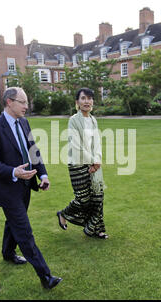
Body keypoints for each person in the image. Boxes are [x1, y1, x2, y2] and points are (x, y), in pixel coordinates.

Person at [0, 87, 62, 290]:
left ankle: (8, 253)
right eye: (23, 102)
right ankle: (46, 277)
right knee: (24, 231)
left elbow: (33, 150)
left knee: (13, 223)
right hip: (8, 190)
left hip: (26, 187)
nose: (27, 106)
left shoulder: (24, 122)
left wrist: (42, 174)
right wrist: (12, 172)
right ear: (9, 102)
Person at [57, 88, 108, 239]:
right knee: (83, 200)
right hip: (78, 165)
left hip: (94, 164)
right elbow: (76, 145)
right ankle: (64, 213)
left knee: (97, 197)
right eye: (83, 98)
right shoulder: (73, 120)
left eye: (90, 98)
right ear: (77, 102)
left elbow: (97, 142)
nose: (87, 101)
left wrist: (97, 160)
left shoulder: (93, 120)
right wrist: (93, 161)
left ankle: (96, 229)